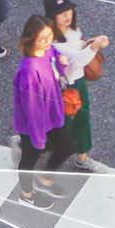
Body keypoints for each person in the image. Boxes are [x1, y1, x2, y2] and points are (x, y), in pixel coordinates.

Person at [10, 15, 70, 207]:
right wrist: (38, 138)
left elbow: (55, 64)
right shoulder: (29, 72)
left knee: (66, 145)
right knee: (30, 159)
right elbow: (33, 111)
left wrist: (62, 63)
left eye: (49, 36)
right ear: (30, 39)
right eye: (42, 39)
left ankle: (44, 177)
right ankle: (26, 195)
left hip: (52, 114)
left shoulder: (48, 51)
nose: (48, 42)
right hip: (34, 126)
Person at [42, 0, 106, 171]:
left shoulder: (73, 31)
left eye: (68, 10)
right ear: (52, 17)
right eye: (61, 13)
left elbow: (77, 49)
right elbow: (76, 62)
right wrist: (93, 48)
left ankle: (82, 156)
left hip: (78, 82)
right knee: (63, 124)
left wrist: (86, 44)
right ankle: (28, 144)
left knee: (82, 117)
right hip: (64, 86)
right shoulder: (53, 43)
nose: (67, 15)